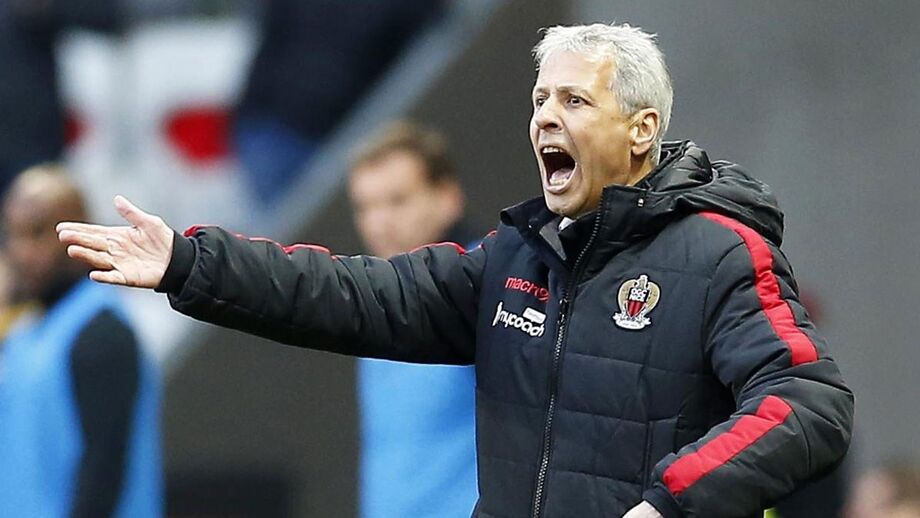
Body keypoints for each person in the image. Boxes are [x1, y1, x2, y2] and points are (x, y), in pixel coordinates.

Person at [57, 23, 853, 518]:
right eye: (540, 99)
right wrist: (189, 261)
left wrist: (670, 505)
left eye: (575, 101)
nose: (545, 116)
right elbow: (352, 294)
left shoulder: (717, 253)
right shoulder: (516, 258)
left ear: (642, 130)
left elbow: (809, 402)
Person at [0, 165, 162, 517]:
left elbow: (103, 469)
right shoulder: (23, 332)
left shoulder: (101, 331)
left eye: (38, 233)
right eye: (13, 234)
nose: (22, 253)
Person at [347, 121, 479, 517]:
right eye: (365, 207)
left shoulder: (487, 286)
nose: (379, 222)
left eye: (397, 201)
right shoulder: (376, 296)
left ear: (448, 197)